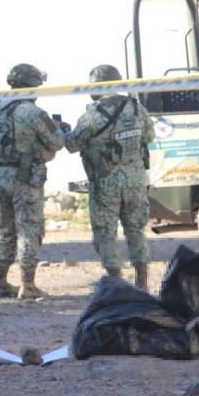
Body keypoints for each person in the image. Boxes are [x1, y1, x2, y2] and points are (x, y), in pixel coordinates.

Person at [63, 65, 155, 291]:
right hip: (135, 180)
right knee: (136, 229)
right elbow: (150, 136)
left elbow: (72, 144)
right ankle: (141, 283)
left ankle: (115, 283)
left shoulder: (91, 115)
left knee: (106, 231)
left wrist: (63, 130)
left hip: (106, 183)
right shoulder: (136, 108)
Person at [0, 63, 64, 300]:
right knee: (29, 228)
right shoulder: (31, 112)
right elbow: (57, 143)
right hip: (25, 177)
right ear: (33, 85)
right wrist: (60, 129)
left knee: (8, 229)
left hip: (0, 175)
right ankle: (27, 285)